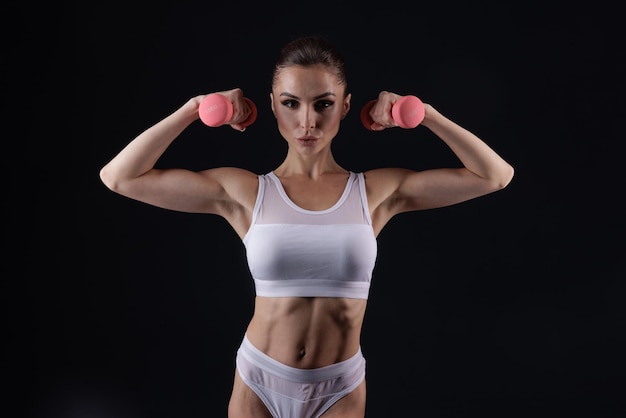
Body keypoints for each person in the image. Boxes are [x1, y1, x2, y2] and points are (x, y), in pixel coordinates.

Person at [99, 35, 514, 418]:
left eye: (323, 103)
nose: (307, 122)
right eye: (291, 103)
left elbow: (494, 175)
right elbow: (120, 177)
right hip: (258, 380)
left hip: (339, 388)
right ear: (273, 105)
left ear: (346, 106)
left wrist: (425, 114)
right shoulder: (245, 192)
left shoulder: (376, 192)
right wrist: (194, 109)